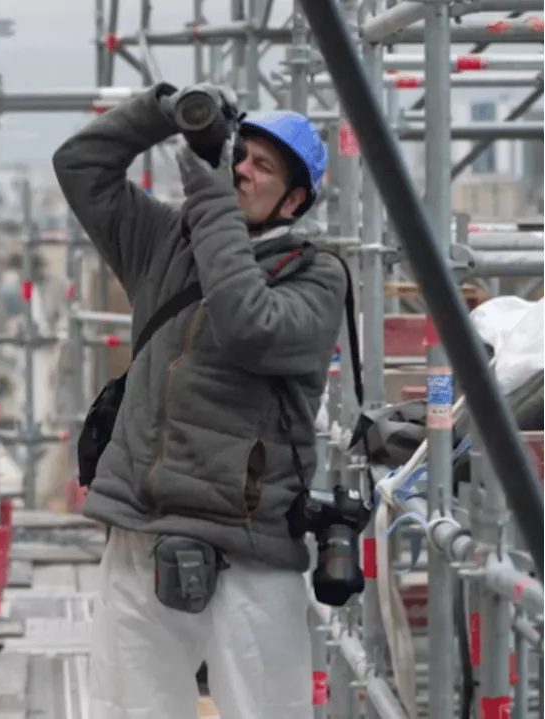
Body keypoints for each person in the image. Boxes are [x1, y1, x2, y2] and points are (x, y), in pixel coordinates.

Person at [53, 83, 344, 718]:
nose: (241, 169)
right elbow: (79, 166)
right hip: (141, 528)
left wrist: (211, 201)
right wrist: (161, 111)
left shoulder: (315, 275)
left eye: (263, 167)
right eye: (241, 152)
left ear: (294, 200)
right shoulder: (166, 243)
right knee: (128, 710)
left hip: (248, 548)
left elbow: (250, 325)